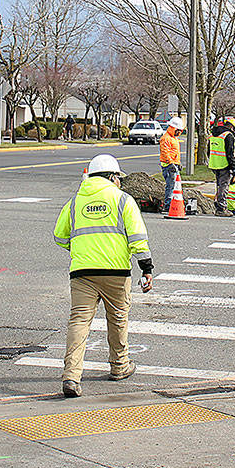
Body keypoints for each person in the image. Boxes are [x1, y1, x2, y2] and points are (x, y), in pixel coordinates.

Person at [53, 153, 153, 398]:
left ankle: (71, 376)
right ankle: (119, 367)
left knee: (79, 322)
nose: (119, 181)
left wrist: (80, 249)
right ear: (111, 177)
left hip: (82, 273)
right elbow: (137, 238)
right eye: (118, 177)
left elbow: (59, 236)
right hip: (116, 272)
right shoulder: (123, 200)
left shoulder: (75, 202)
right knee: (118, 319)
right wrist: (147, 267)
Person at [209, 117, 235, 216]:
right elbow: (230, 153)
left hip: (214, 164)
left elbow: (208, 151)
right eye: (234, 129)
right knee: (223, 186)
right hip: (224, 165)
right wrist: (233, 167)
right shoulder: (228, 136)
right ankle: (221, 209)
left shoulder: (213, 134)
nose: (234, 131)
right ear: (231, 126)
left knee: (219, 185)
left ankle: (218, 206)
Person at [159, 116, 184, 210]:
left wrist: (178, 163)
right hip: (168, 166)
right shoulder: (166, 138)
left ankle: (173, 203)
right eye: (179, 130)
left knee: (175, 185)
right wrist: (170, 164)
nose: (180, 133)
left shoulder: (173, 138)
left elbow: (174, 153)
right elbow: (165, 152)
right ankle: (168, 204)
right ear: (175, 128)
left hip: (173, 165)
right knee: (171, 185)